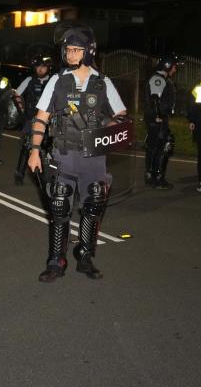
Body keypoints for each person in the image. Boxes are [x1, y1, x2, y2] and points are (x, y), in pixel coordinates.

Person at [27, 26, 128, 282]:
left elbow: (121, 116)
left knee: (93, 205)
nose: (69, 54)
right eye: (67, 50)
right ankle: (55, 261)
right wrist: (35, 151)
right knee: (59, 205)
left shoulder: (103, 82)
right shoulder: (57, 81)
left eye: (75, 50)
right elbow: (40, 119)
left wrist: (107, 127)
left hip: (94, 158)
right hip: (63, 154)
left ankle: (84, 256)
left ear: (88, 52)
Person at [12, 55, 53, 185]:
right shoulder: (29, 80)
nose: (40, 69)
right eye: (38, 67)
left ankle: (51, 177)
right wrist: (22, 109)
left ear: (48, 68)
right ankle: (19, 174)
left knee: (50, 149)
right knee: (26, 146)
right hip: (31, 119)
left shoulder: (53, 81)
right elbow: (16, 94)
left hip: (50, 121)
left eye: (43, 67)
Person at [144, 54, 179, 189]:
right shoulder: (158, 79)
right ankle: (156, 178)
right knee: (160, 148)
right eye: (174, 67)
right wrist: (158, 115)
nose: (175, 70)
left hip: (158, 118)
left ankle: (152, 176)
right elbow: (155, 99)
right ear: (168, 66)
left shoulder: (162, 79)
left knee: (156, 148)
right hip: (157, 119)